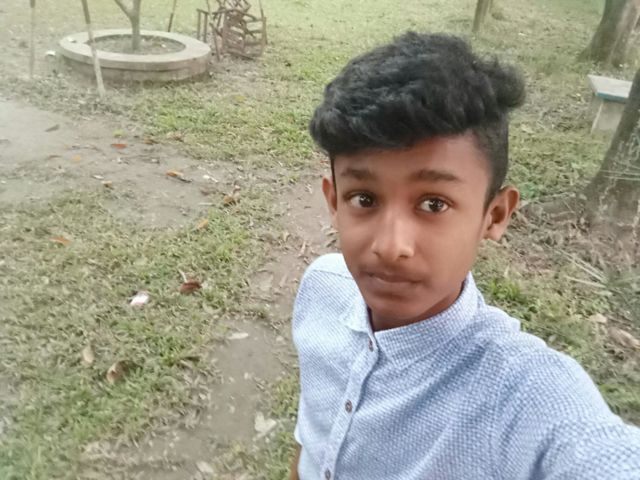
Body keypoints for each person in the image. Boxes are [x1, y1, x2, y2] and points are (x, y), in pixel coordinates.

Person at [289, 32, 640, 480]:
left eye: (433, 204)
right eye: (364, 198)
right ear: (333, 201)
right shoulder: (321, 286)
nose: (390, 246)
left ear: (494, 215)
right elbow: (312, 435)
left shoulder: (520, 396)